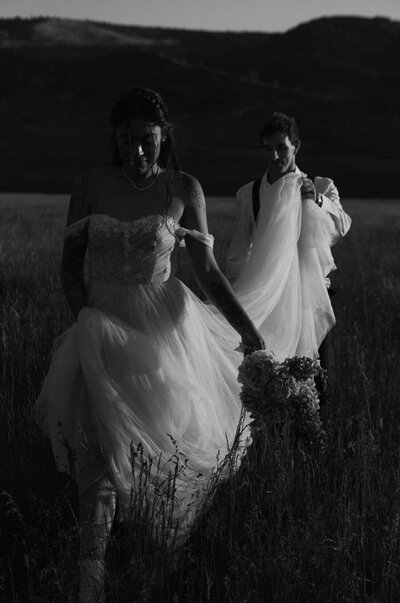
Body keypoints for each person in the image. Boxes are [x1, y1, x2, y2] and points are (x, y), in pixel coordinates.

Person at [34, 87, 264, 602]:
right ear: (114, 139)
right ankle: (87, 584)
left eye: (147, 141)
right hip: (99, 333)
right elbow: (70, 267)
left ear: (164, 138)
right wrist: (86, 320)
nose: (136, 151)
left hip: (163, 336)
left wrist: (250, 334)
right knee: (98, 459)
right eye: (126, 139)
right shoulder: (90, 184)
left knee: (162, 454)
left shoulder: (184, 187)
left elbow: (207, 274)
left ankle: (157, 574)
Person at [225, 112, 351, 363]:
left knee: (315, 384)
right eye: (267, 149)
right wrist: (240, 306)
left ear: (297, 147)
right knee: (271, 379)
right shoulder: (249, 195)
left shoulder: (321, 185)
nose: (274, 156)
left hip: (310, 302)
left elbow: (343, 224)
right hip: (268, 305)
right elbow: (238, 254)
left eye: (281, 148)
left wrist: (317, 200)